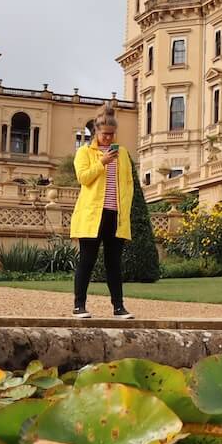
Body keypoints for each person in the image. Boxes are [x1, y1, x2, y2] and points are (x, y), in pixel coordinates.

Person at [69, 102, 133, 319]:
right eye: (105, 134)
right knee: (87, 260)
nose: (108, 138)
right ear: (96, 131)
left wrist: (126, 212)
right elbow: (83, 178)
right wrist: (102, 162)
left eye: (112, 134)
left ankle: (118, 307)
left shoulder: (122, 153)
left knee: (114, 263)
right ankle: (79, 305)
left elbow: (128, 184)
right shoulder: (84, 152)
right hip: (92, 215)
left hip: (116, 215)